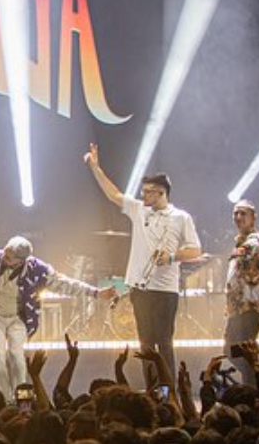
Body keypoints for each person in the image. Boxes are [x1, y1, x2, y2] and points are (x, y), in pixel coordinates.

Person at [84, 143, 202, 381]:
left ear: (161, 193)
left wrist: (172, 256)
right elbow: (113, 194)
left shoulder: (181, 217)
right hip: (141, 288)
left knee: (165, 343)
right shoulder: (139, 210)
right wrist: (95, 167)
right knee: (145, 343)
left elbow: (196, 250)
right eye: (143, 191)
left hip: (166, 289)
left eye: (148, 191)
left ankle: (170, 391)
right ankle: (152, 390)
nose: (143, 195)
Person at [0, 235, 114, 396]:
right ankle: (2, 400)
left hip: (19, 318)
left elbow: (64, 284)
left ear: (21, 261)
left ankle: (22, 400)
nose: (3, 258)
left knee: (18, 358)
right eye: (4, 253)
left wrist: (95, 292)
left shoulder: (38, 270)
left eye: (8, 257)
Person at [224, 199, 259, 386]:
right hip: (237, 306)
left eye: (243, 213)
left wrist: (238, 252)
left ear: (253, 217)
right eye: (236, 213)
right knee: (232, 350)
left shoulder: (255, 240)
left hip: (249, 305)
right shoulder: (240, 240)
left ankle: (256, 387)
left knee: (241, 350)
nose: (238, 217)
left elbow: (249, 251)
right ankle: (254, 385)